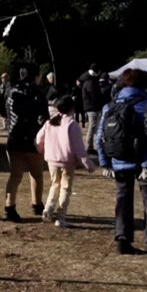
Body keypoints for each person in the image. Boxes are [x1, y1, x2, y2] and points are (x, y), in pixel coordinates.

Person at [97, 69, 147, 257]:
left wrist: (105, 162)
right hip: (144, 161)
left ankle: (122, 238)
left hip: (119, 160)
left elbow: (100, 137)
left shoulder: (109, 106)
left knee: (122, 199)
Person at [35, 95, 94, 227]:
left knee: (55, 184)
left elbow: (39, 140)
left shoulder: (49, 122)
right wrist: (88, 164)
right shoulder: (72, 125)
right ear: (72, 109)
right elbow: (78, 148)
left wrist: (43, 151)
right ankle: (61, 216)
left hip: (51, 160)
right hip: (67, 161)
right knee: (65, 188)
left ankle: (48, 209)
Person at [3, 63, 49, 222]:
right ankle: (37, 205)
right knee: (36, 174)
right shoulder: (38, 93)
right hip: (33, 139)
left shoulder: (11, 91)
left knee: (15, 175)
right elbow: (45, 117)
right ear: (35, 76)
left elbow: (4, 113)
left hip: (14, 138)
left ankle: (10, 208)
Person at [79, 64, 105, 154]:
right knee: (92, 126)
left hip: (89, 107)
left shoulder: (87, 80)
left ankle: (92, 146)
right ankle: (89, 146)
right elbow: (94, 96)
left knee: (93, 126)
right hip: (92, 108)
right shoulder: (91, 82)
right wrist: (98, 106)